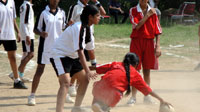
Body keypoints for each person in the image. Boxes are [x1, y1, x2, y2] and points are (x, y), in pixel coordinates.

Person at [50, 5, 100, 112]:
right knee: (65, 82)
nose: (100, 17)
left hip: (72, 56)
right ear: (90, 17)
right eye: (97, 15)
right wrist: (88, 71)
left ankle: (76, 108)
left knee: (84, 79)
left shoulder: (88, 29)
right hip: (60, 54)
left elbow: (90, 49)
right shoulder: (79, 27)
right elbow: (80, 51)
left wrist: (94, 65)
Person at [90, 52, 171, 112]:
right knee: (114, 95)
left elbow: (96, 67)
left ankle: (97, 105)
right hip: (113, 95)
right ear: (136, 64)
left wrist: (85, 69)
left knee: (101, 91)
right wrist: (161, 100)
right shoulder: (135, 74)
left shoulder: (115, 64)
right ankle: (103, 109)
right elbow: (148, 89)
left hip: (98, 89)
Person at [65, 0, 106, 103]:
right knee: (77, 60)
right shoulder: (74, 7)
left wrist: (97, 2)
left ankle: (79, 83)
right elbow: (68, 22)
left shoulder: (91, 7)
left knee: (90, 54)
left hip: (88, 34)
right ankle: (71, 85)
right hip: (78, 34)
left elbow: (103, 13)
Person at [27, 0, 66, 106]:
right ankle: (32, 95)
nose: (55, 0)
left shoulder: (62, 12)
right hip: (45, 47)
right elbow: (35, 29)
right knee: (39, 70)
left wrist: (69, 26)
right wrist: (41, 33)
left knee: (61, 72)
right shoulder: (43, 13)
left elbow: (63, 27)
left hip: (58, 48)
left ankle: (65, 94)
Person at [127, 0, 162, 106]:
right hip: (137, 42)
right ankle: (133, 97)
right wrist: (147, 15)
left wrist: (158, 46)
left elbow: (158, 30)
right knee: (135, 70)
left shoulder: (154, 12)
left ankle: (147, 96)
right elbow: (137, 26)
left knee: (147, 71)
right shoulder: (133, 10)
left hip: (149, 42)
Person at [0, 0, 27, 89]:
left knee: (13, 57)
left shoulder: (11, 1)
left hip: (9, 33)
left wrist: (18, 32)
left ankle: (17, 80)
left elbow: (13, 18)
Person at [8, 0, 35, 83]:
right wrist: (27, 35)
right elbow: (25, 21)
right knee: (31, 54)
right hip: (28, 33)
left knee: (26, 54)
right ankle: (16, 72)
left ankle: (20, 75)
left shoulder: (23, 5)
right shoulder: (27, 6)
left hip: (25, 33)